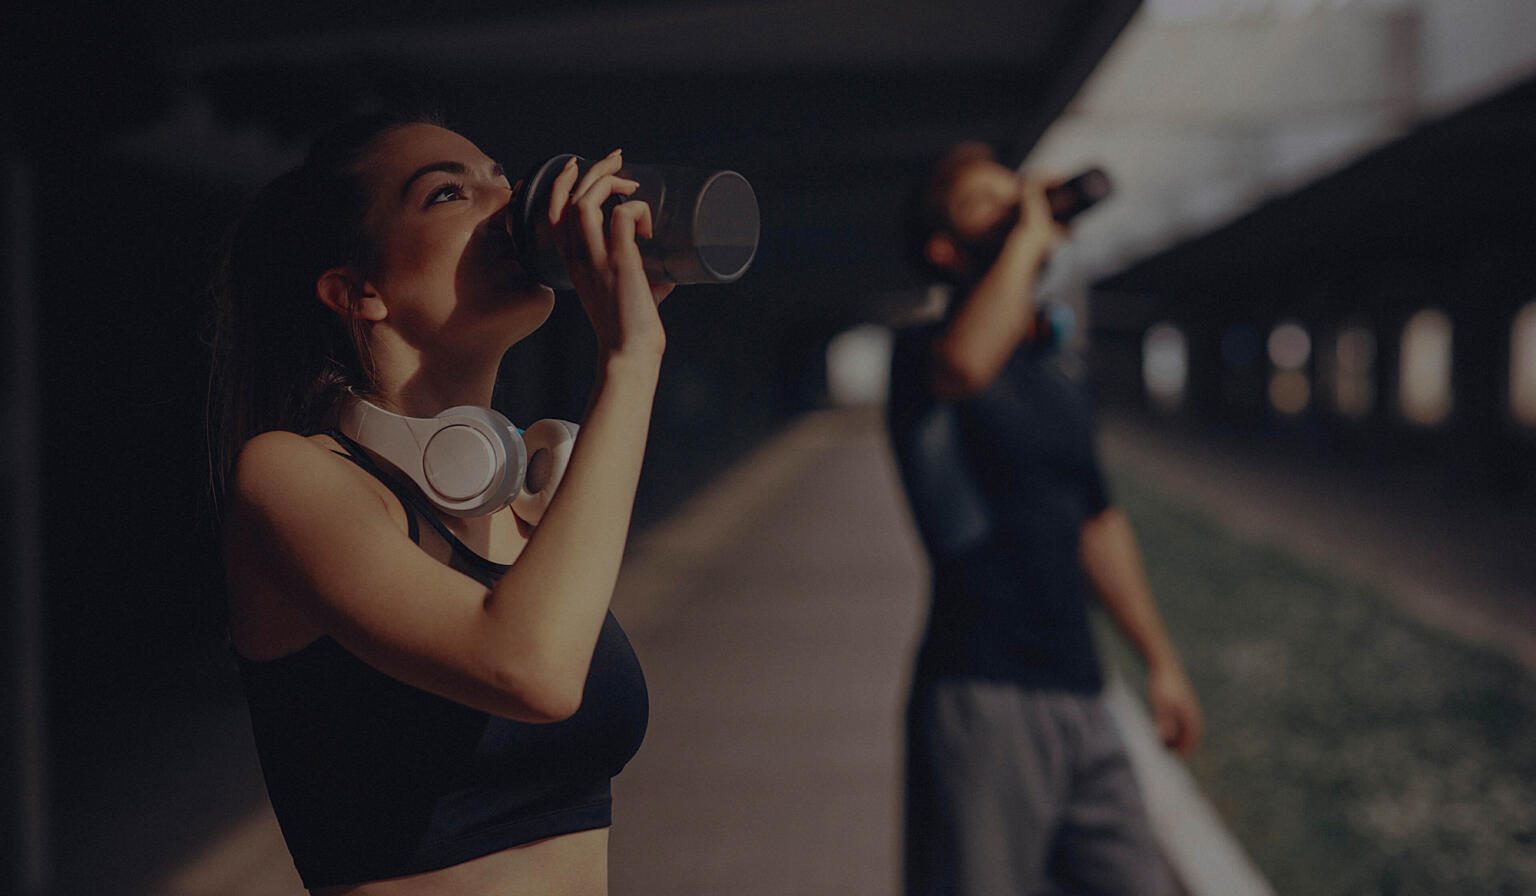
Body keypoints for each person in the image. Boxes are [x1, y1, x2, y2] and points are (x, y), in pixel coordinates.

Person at [208, 112, 669, 895]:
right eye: (449, 192)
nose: (509, 203)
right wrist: (630, 359)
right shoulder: (288, 478)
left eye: (503, 178)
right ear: (358, 292)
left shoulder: (525, 502)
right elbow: (531, 671)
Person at [887, 142, 1204, 895]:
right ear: (944, 248)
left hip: (1081, 688)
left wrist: (1159, 661)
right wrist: (1030, 236)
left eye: (1016, 191)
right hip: (983, 692)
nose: (1014, 205)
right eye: (986, 203)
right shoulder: (922, 357)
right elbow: (966, 366)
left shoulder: (1055, 370)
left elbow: (1096, 519)